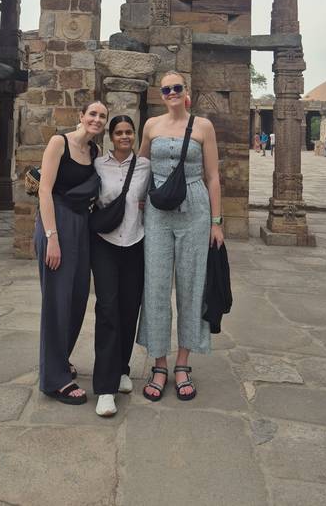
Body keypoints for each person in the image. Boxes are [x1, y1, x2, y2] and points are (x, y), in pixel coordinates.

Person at [137, 71, 224, 403]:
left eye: (177, 87)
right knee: (156, 284)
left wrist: (216, 222)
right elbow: (141, 166)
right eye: (166, 89)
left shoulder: (203, 127)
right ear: (161, 95)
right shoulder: (151, 126)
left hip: (195, 208)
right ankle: (159, 363)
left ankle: (183, 363)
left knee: (192, 284)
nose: (171, 92)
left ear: (186, 91)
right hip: (158, 211)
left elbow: (212, 176)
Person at [34, 100, 108, 405]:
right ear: (81, 116)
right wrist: (52, 237)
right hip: (57, 222)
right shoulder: (59, 143)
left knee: (77, 298)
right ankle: (55, 380)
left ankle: (60, 359)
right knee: (57, 300)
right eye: (92, 114)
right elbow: (44, 190)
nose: (97, 119)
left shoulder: (94, 152)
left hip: (82, 226)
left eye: (102, 116)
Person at [92, 116, 151, 417]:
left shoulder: (144, 166)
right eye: (119, 132)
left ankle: (121, 368)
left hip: (135, 242)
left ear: (135, 135)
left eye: (129, 132)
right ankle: (105, 388)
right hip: (104, 243)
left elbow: (153, 197)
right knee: (107, 310)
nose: (124, 137)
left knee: (129, 309)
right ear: (110, 136)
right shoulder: (98, 165)